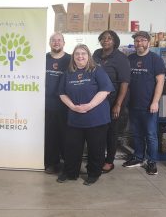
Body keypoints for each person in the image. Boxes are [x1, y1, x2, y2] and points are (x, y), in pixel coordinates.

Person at [56, 44, 114, 186]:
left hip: (96, 118)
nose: (80, 56)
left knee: (96, 148)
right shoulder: (68, 73)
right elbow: (61, 93)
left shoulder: (96, 71)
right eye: (77, 54)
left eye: (83, 53)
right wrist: (72, 106)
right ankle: (70, 172)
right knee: (72, 148)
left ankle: (93, 173)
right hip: (75, 118)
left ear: (88, 56)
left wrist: (89, 106)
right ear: (73, 57)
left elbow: (105, 90)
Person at [124, 31, 165, 175]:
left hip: (149, 106)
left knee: (151, 135)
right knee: (136, 133)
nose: (139, 43)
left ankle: (152, 161)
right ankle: (138, 157)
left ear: (148, 42)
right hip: (133, 104)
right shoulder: (130, 59)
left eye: (142, 40)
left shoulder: (155, 59)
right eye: (136, 41)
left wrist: (155, 102)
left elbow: (160, 82)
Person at [92, 30, 130, 173]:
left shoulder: (121, 58)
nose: (106, 40)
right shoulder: (96, 54)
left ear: (115, 41)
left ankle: (109, 161)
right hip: (97, 100)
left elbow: (125, 82)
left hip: (113, 100)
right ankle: (98, 158)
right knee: (98, 131)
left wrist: (118, 104)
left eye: (109, 38)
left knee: (111, 132)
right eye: (103, 38)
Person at [44, 32, 71, 174]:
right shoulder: (44, 59)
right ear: (50, 43)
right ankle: (51, 163)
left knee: (65, 135)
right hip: (46, 105)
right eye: (53, 40)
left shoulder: (70, 59)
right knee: (49, 135)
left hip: (66, 105)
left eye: (59, 40)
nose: (56, 42)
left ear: (63, 43)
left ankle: (67, 164)